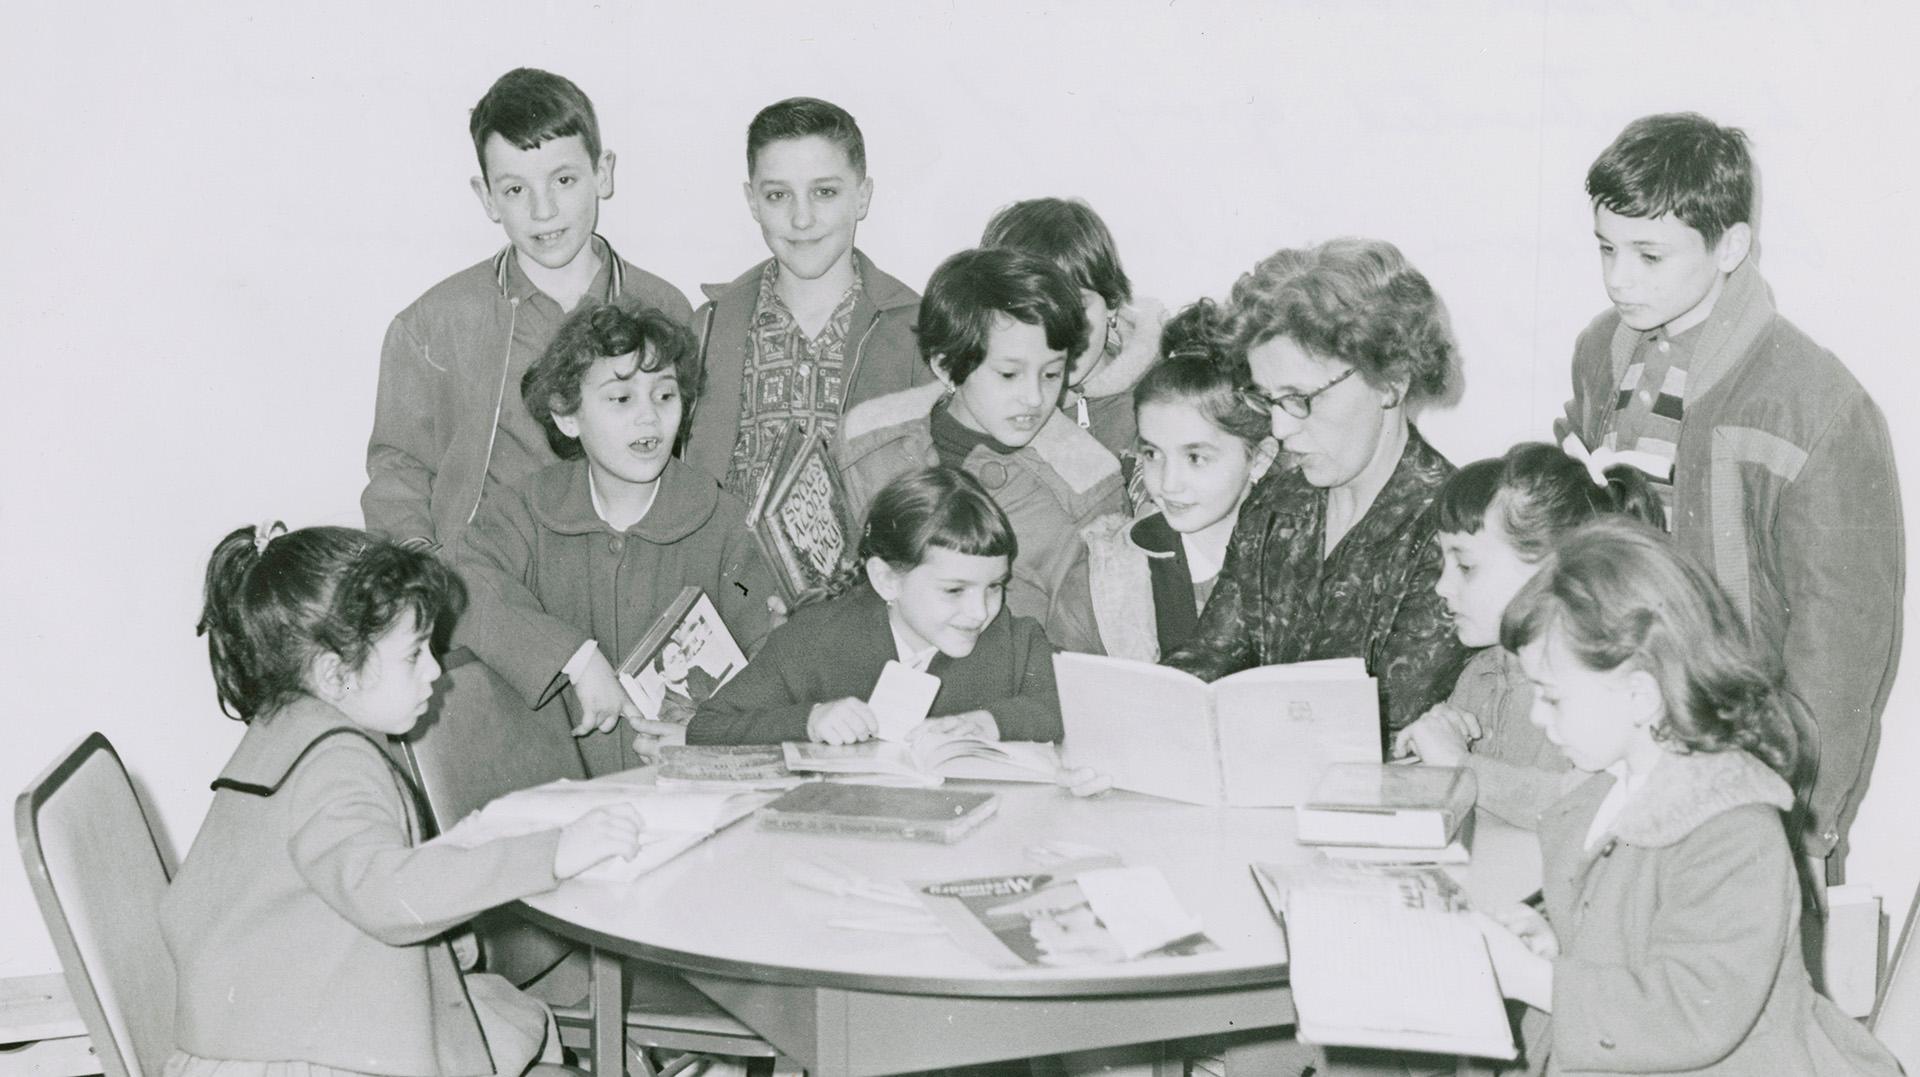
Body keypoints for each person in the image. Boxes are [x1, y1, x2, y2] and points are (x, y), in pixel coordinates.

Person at [163, 523, 647, 1077]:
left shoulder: (287, 727)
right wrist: (554, 853)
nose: (435, 671)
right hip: (301, 1058)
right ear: (336, 674)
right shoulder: (336, 763)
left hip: (263, 1032)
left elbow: (316, 898)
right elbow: (386, 894)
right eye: (415, 654)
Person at [1562, 112, 1901, 876]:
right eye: (1607, 249)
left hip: (1749, 773)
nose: (1621, 277)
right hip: (1619, 748)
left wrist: (1804, 825)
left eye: (1650, 254)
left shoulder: (1817, 405)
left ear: (1732, 246)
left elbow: (1843, 647)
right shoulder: (1597, 353)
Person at [1477, 518, 1902, 1076]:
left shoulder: (1733, 829)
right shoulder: (1613, 791)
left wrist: (1537, 980)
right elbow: (1638, 939)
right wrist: (1554, 947)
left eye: (1550, 697)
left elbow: (1687, 1013)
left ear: (1639, 696)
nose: (1538, 716)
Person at [362, 67, 694, 557]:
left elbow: (689, 460)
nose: (544, 211)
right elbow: (399, 470)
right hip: (489, 576)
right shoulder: (432, 325)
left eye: (563, 179)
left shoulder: (664, 308)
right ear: (487, 197)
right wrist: (424, 573)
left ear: (602, 174)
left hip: (630, 569)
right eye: (516, 189)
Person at [454, 298, 776, 775]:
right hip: (559, 792)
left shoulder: (726, 523)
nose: (649, 418)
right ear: (567, 415)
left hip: (687, 791)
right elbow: (461, 588)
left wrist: (703, 731)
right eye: (621, 399)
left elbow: (767, 653)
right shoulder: (522, 512)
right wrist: (576, 658)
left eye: (665, 396)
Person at [1165, 238, 1468, 733]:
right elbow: (1208, 658)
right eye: (1268, 399)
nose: (1281, 429)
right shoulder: (1278, 501)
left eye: (1301, 398)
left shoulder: (1453, 533)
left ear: (1391, 379)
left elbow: (1376, 728)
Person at [836, 247, 1124, 655]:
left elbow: (1084, 666)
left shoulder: (1088, 489)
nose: (1034, 398)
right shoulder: (868, 443)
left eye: (1051, 373)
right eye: (1008, 374)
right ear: (945, 366)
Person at [687, 466, 1061, 747]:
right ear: (887, 579)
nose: (980, 612)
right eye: (954, 590)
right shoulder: (813, 639)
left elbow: (1079, 706)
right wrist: (810, 720)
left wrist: (992, 722)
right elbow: (707, 727)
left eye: (994, 587)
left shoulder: (1016, 641)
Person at [1393, 441, 1665, 828]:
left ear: (1550, 568)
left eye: (1466, 566)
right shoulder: (1481, 673)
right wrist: (1431, 747)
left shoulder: (1600, 684)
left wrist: (1459, 766)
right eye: (1444, 563)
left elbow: (1583, 804)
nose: (1442, 586)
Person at [680, 97, 931, 497]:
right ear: (752, 202)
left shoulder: (918, 331)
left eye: (825, 192)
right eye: (779, 195)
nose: (801, 219)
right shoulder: (708, 329)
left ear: (863, 196)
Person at [1080, 300, 1277, 661]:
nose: (1168, 484)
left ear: (1259, 459)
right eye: (1153, 453)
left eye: (1196, 458)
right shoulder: (1115, 568)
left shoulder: (1302, 557)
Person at [980, 197, 1166, 466]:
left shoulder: (1166, 397)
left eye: (1075, 307)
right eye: (1029, 312)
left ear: (1111, 302)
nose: (1055, 334)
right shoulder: (988, 407)